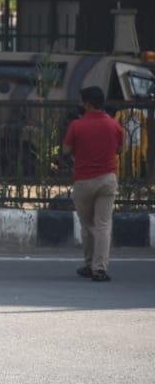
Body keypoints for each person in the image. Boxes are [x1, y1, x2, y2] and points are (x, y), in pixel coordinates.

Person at [62, 85, 124, 282]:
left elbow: (65, 150)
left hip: (84, 180)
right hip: (107, 179)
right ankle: (99, 269)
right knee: (103, 225)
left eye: (82, 102)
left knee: (88, 224)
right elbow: (120, 150)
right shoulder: (114, 125)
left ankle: (89, 264)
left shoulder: (76, 125)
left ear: (88, 105)